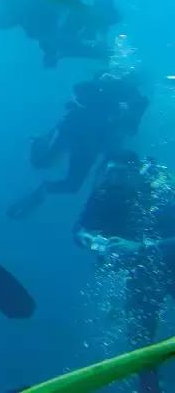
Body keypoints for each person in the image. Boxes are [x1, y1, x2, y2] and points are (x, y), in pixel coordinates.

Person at [73, 151, 175, 393]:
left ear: (136, 175)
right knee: (140, 338)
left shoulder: (162, 195)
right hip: (142, 274)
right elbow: (78, 229)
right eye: (110, 174)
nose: (114, 180)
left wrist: (140, 247)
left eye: (121, 174)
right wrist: (89, 239)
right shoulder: (103, 195)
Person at [7, 70, 149, 219]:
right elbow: (78, 90)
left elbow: (131, 129)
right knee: (47, 166)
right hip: (77, 134)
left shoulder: (136, 100)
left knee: (70, 184)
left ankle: (43, 188)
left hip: (87, 142)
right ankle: (40, 148)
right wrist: (101, 84)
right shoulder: (107, 84)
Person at [0, 0, 121, 68]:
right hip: (35, 11)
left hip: (36, 14)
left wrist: (51, 53)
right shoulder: (18, 10)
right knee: (1, 9)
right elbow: (61, 41)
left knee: (1, 10)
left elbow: (60, 39)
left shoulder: (80, 17)